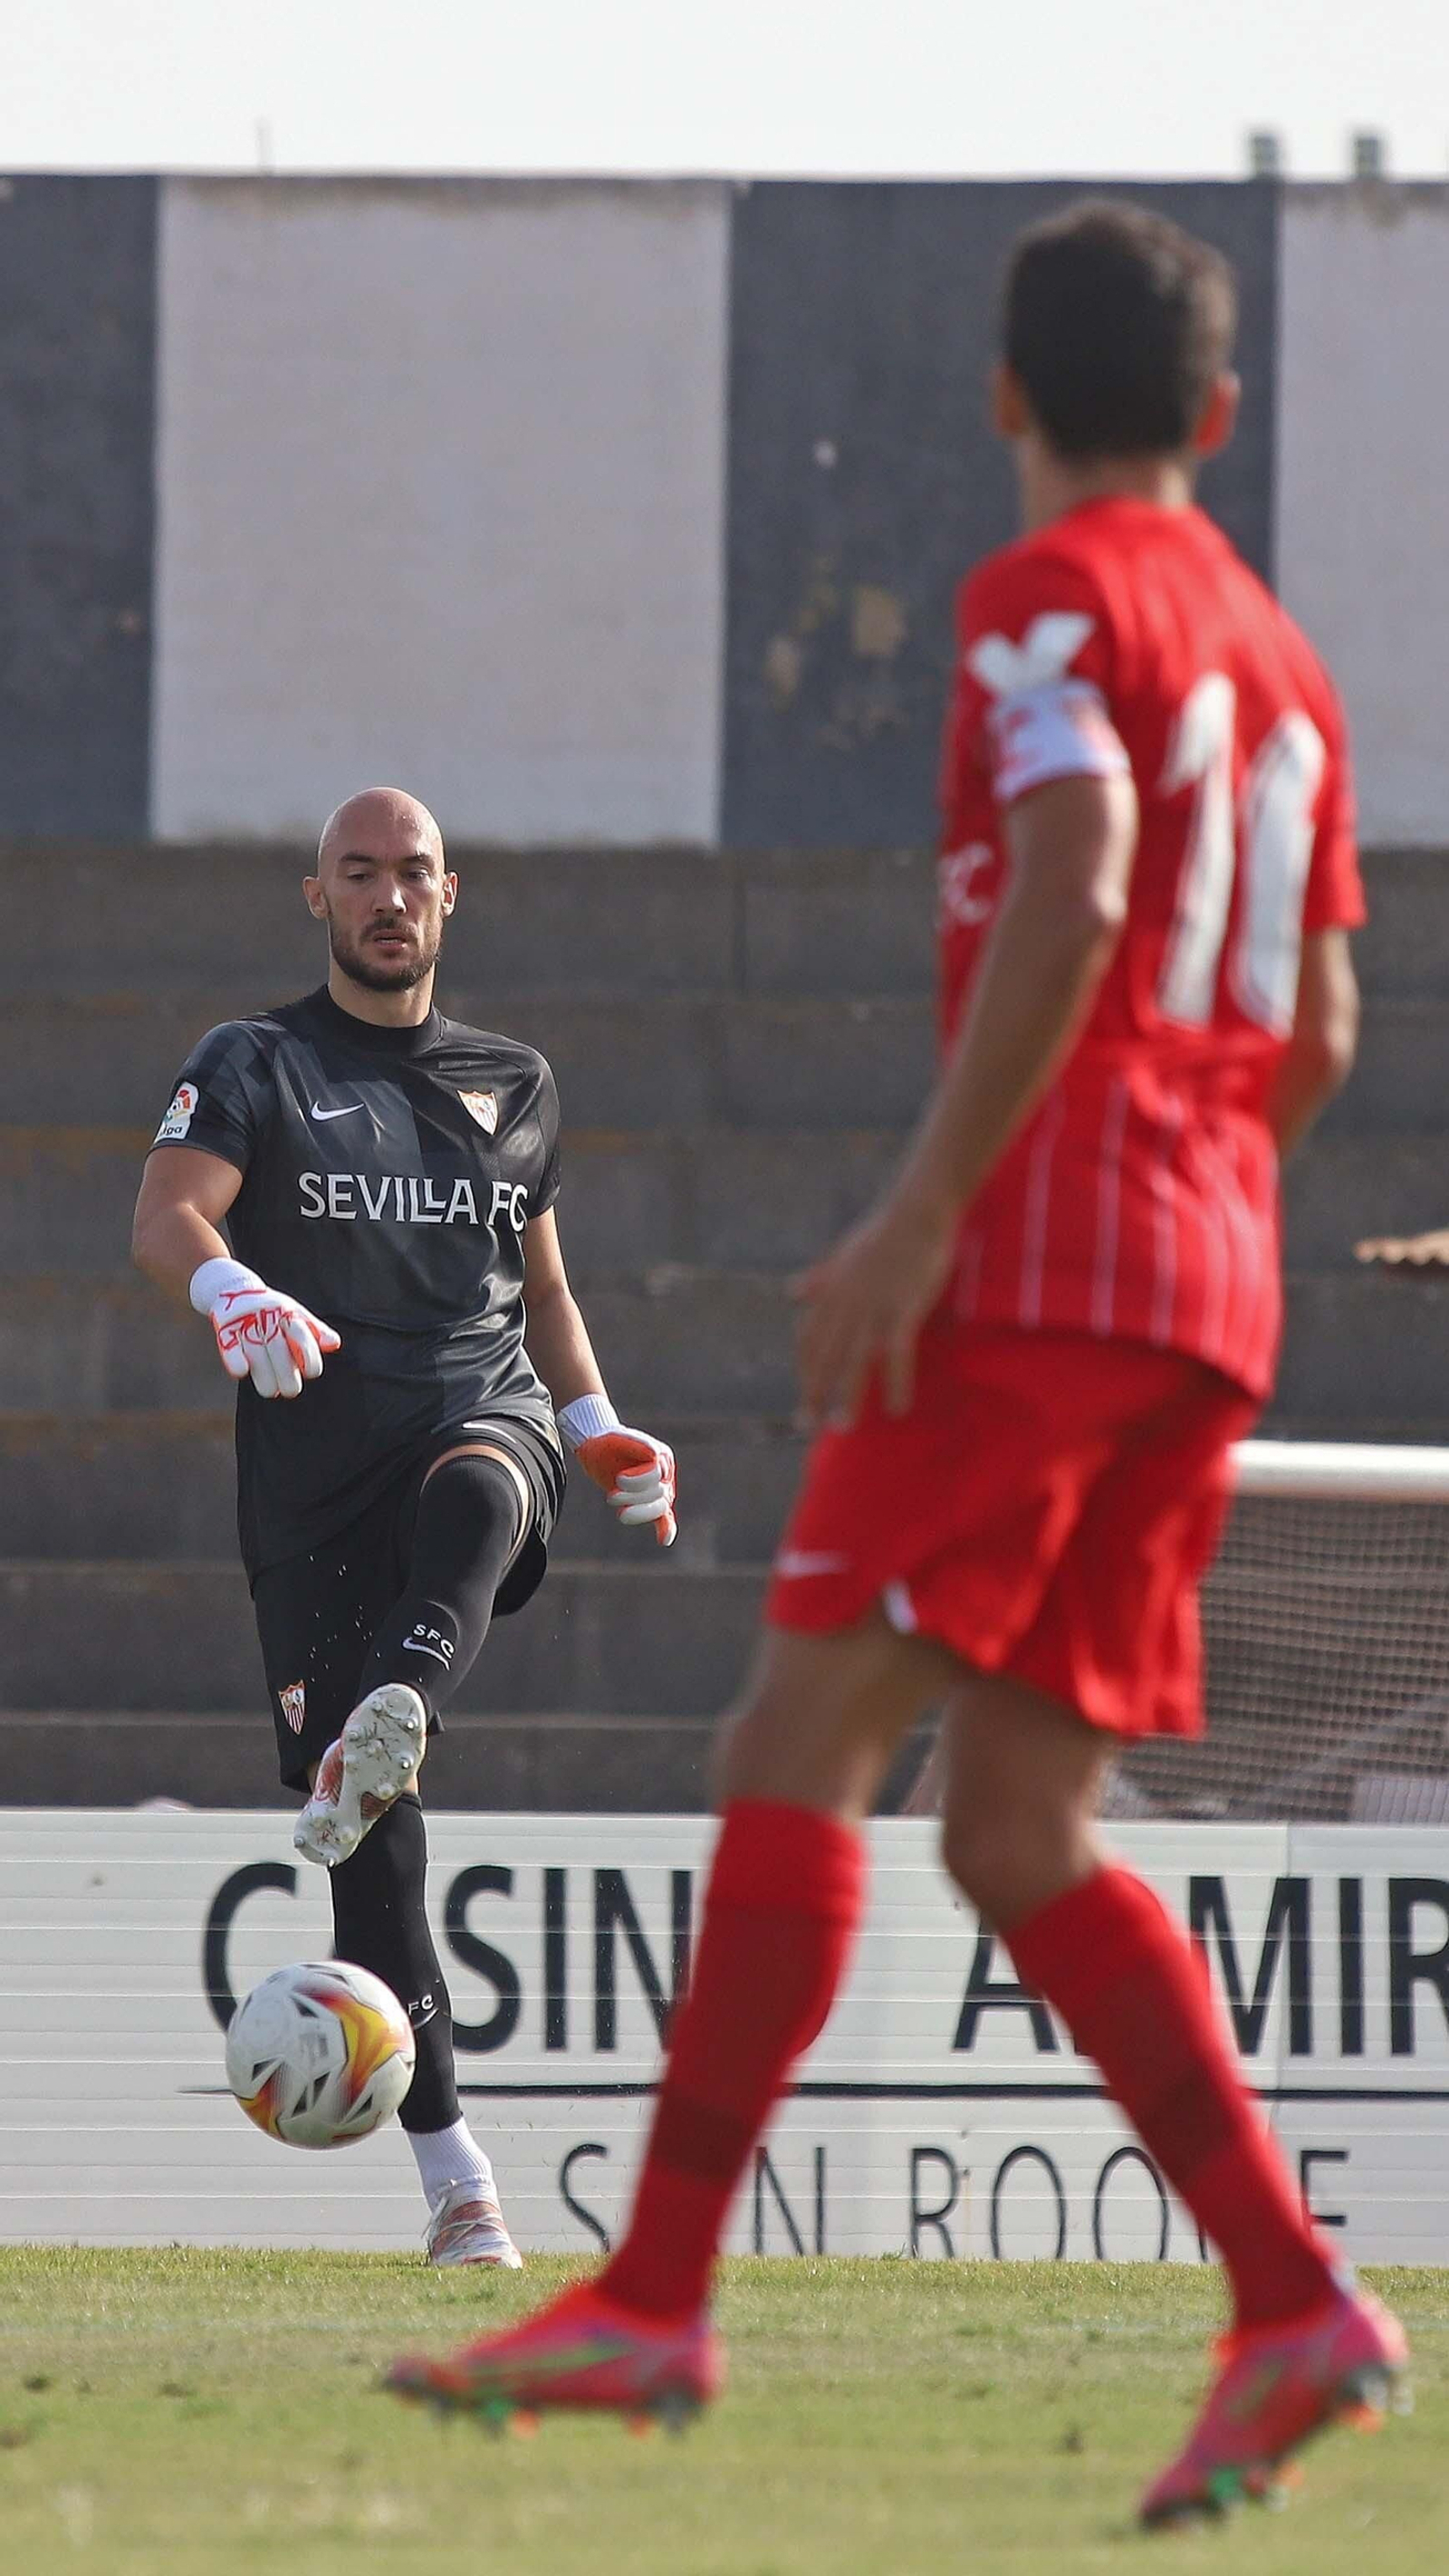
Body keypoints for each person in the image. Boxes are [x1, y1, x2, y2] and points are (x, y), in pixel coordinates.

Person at [388, 202, 1407, 2519]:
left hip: (1043, 1272)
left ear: (1003, 402)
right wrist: (1181, 1178)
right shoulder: (1289, 662)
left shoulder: (1046, 603)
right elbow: (1323, 1028)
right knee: (1011, 1817)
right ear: (1219, 418)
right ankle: (1290, 2301)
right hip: (1211, 1290)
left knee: (799, 1723)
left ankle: (650, 2292)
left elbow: (1073, 857)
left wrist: (937, 1207)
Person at [131, 787, 677, 2267]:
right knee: (370, 1855)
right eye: (358, 874)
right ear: (317, 897)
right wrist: (226, 1287)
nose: (388, 896)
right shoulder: (255, 1059)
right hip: (311, 1489)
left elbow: (545, 1290)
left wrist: (590, 1420)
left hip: (472, 1416)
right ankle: (459, 2182)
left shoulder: (517, 1080)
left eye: (412, 874)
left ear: (452, 894)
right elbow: (169, 1210)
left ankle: (400, 1698)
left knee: (484, 1483)